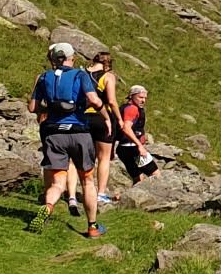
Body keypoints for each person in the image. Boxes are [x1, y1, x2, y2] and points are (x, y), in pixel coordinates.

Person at [27, 41, 105, 235]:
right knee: (87, 181)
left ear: (53, 59)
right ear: (72, 58)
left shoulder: (44, 77)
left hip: (54, 134)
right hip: (79, 132)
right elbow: (95, 101)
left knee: (57, 183)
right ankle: (93, 226)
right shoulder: (80, 75)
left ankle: (48, 206)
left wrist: (49, 108)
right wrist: (105, 115)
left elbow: (32, 108)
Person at [85, 50, 120, 206]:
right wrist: (119, 119)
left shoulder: (82, 73)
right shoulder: (108, 76)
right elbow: (111, 100)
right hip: (103, 117)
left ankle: (87, 189)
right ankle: (100, 193)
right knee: (104, 157)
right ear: (108, 64)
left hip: (83, 116)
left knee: (87, 156)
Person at [115, 84, 160, 183]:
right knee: (156, 175)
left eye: (145, 98)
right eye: (140, 97)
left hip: (122, 149)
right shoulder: (132, 109)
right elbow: (126, 128)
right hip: (132, 148)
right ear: (131, 96)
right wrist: (140, 145)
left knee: (138, 178)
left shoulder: (124, 107)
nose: (143, 100)